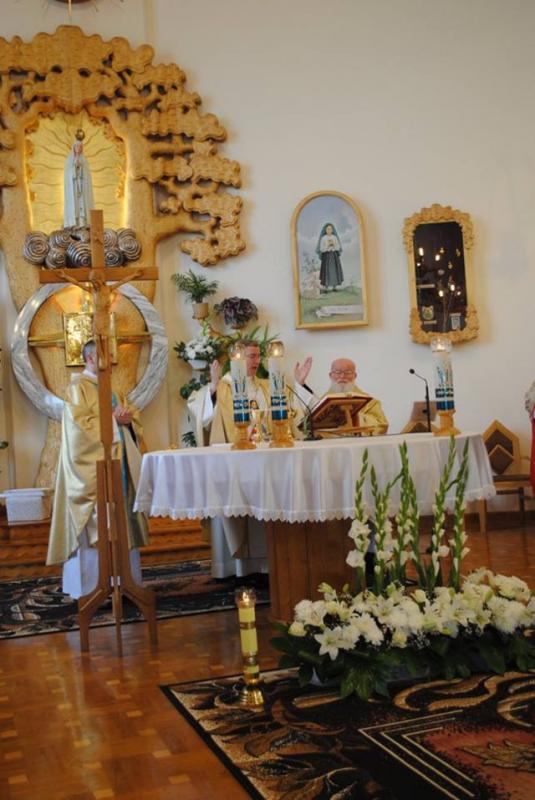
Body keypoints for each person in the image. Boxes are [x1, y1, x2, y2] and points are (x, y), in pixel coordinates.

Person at [46, 340, 148, 598]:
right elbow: (78, 428)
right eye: (105, 357)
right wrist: (114, 420)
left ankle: (126, 582)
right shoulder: (77, 387)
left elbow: (130, 415)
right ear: (90, 358)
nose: (111, 362)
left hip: (118, 465)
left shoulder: (112, 388)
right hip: (93, 473)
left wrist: (128, 421)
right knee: (98, 524)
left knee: (121, 520)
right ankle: (90, 588)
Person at [187, 340, 271, 578]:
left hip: (263, 460)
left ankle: (266, 564)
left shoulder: (265, 386)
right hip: (232, 463)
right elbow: (201, 416)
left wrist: (301, 384)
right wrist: (212, 389)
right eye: (250, 356)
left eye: (257, 356)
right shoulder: (223, 387)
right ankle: (235, 568)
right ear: (236, 359)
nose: (255, 361)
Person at [293, 356, 388, 435]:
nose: (342, 376)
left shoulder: (369, 402)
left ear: (355, 376)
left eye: (348, 372)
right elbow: (310, 419)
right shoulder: (323, 402)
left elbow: (382, 425)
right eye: (338, 372)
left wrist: (355, 418)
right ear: (330, 375)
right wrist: (301, 383)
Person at [63, 129, 95, 228]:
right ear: (74, 147)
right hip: (73, 187)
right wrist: (74, 169)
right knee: (75, 204)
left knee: (83, 203)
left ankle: (83, 222)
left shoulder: (84, 161)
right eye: (77, 146)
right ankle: (74, 223)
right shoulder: (69, 161)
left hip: (82, 186)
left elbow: (87, 175)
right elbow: (68, 175)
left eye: (81, 147)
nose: (79, 148)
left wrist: (81, 170)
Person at [317, 222, 344, 292]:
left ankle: (334, 287)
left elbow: (338, 247)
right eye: (328, 229)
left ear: (332, 230)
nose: (329, 230)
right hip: (326, 256)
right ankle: (326, 287)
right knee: (326, 271)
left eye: (330, 229)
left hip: (334, 255)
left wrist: (334, 245)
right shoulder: (323, 238)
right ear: (325, 230)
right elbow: (321, 249)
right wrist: (327, 246)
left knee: (334, 270)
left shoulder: (334, 237)